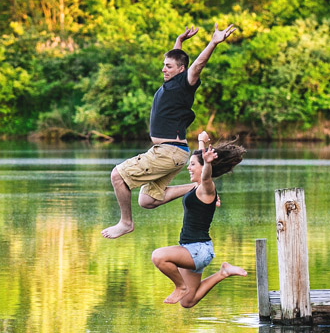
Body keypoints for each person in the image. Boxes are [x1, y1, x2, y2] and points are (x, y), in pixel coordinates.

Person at [101, 23, 236, 240]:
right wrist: (179, 41)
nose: (164, 69)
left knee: (118, 175)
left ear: (181, 70)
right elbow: (176, 59)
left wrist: (213, 42)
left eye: (169, 66)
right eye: (164, 65)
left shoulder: (186, 83)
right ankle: (197, 185)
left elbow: (198, 65)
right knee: (146, 201)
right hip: (170, 152)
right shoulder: (171, 83)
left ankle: (126, 222)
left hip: (168, 152)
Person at [150, 131, 247, 307]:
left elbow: (205, 175)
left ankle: (180, 286)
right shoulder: (198, 188)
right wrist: (201, 144)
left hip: (197, 250)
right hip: (193, 249)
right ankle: (223, 273)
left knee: (158, 257)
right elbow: (202, 169)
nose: (188, 168)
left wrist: (205, 157)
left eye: (192, 164)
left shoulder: (206, 188)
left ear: (203, 168)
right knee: (188, 302)